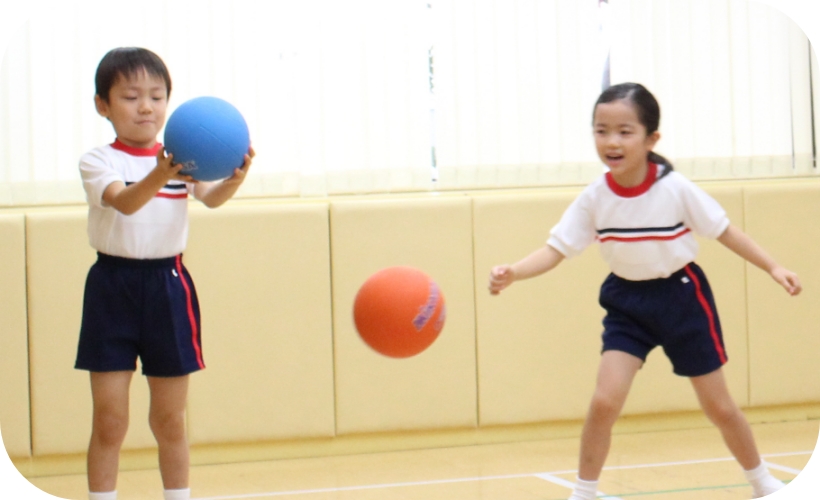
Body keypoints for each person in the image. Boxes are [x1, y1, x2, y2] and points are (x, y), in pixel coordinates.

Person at [488, 82, 801, 500]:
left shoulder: (675, 189)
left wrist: (773, 266)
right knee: (604, 403)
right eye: (601, 130)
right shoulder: (595, 197)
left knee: (719, 407)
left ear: (652, 138)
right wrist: (514, 272)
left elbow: (726, 232)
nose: (611, 141)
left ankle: (764, 484)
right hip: (626, 304)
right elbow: (556, 249)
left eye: (624, 131)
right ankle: (584, 492)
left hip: (682, 299)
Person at [75, 47, 253, 500]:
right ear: (103, 105)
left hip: (168, 287)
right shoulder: (100, 162)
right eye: (131, 97)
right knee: (110, 419)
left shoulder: (182, 161)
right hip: (111, 288)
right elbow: (126, 203)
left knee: (169, 418)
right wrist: (163, 173)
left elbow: (210, 198)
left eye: (156, 96)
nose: (146, 107)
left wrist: (234, 177)